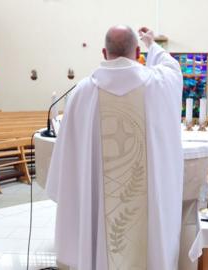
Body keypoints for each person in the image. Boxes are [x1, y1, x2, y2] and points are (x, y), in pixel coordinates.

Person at [46, 25, 183, 270]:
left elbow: (68, 157)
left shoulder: (83, 92)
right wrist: (154, 44)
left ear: (103, 52)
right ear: (138, 51)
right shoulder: (159, 84)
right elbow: (173, 68)